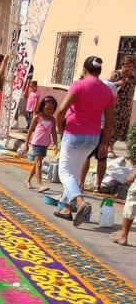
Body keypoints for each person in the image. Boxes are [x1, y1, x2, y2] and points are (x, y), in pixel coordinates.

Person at [53, 56, 115, 227]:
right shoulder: (107, 91)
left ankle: (80, 202)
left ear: (84, 69)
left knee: (64, 172)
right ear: (99, 71)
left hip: (74, 133)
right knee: (73, 171)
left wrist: (60, 129)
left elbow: (60, 110)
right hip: (93, 136)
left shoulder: (79, 85)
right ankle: (66, 208)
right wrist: (105, 143)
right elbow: (109, 121)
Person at [24, 96, 58, 192]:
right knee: (39, 164)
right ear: (42, 107)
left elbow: (54, 132)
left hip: (45, 144)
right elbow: (30, 131)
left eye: (51, 109)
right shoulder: (37, 117)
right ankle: (40, 184)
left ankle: (28, 179)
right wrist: (26, 144)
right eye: (47, 108)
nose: (49, 111)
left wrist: (55, 144)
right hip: (37, 143)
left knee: (36, 163)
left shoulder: (52, 119)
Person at [108, 54, 136, 158]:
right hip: (115, 105)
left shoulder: (133, 77)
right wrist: (116, 84)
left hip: (126, 107)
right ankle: (108, 147)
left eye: (131, 66)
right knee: (112, 126)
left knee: (121, 128)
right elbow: (105, 85)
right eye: (127, 66)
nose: (129, 69)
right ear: (123, 65)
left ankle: (111, 145)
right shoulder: (116, 74)